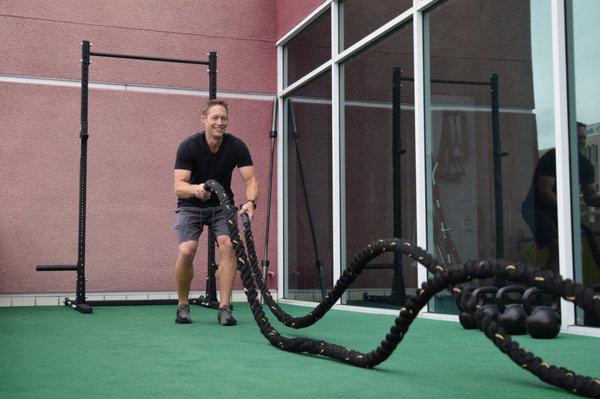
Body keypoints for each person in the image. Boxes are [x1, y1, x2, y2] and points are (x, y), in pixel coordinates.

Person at [173, 99, 258, 326]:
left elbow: (250, 179)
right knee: (187, 250)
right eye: (215, 118)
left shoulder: (236, 146)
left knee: (228, 246)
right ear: (204, 120)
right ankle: (183, 305)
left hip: (221, 205)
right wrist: (195, 189)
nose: (220, 123)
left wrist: (251, 202)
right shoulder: (189, 146)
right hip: (191, 204)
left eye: (224, 118)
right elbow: (178, 185)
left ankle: (225, 307)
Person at [522, 122, 600, 272]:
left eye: (584, 137)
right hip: (537, 210)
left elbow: (591, 197)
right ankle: (551, 291)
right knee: (560, 249)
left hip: (560, 211)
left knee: (575, 252)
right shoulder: (552, 157)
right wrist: (568, 211)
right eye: (578, 137)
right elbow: (544, 191)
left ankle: (562, 288)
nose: (582, 141)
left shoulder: (584, 165)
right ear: (567, 137)